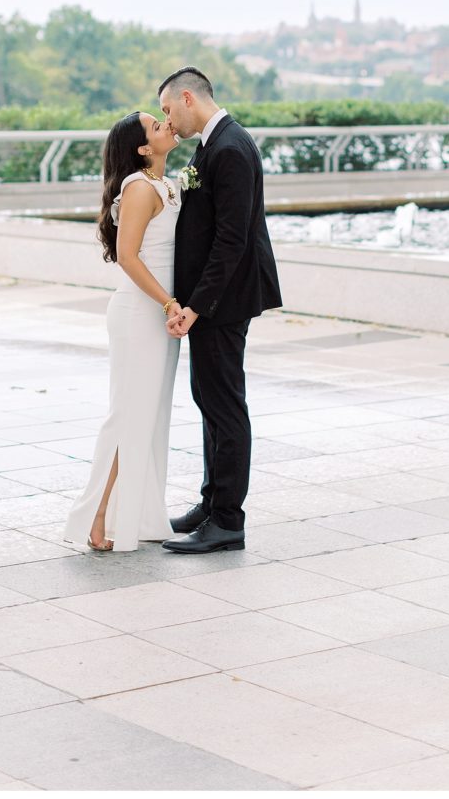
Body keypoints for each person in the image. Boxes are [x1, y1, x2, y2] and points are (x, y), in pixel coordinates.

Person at [158, 67, 282, 554]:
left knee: (225, 406)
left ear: (188, 97)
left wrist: (196, 306)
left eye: (169, 109)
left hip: (224, 301)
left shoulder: (229, 148)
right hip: (216, 300)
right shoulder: (215, 143)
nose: (169, 120)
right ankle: (211, 502)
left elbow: (230, 240)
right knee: (209, 399)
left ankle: (229, 518)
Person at [63, 111, 182, 552]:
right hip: (139, 314)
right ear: (143, 148)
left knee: (147, 419)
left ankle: (133, 513)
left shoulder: (164, 184)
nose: (167, 125)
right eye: (157, 126)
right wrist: (169, 303)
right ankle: (93, 515)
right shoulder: (138, 188)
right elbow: (128, 257)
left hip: (158, 313)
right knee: (127, 416)